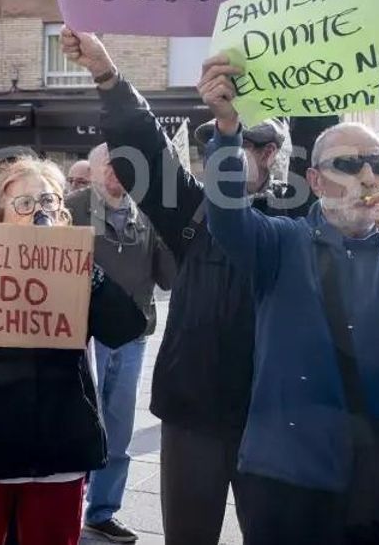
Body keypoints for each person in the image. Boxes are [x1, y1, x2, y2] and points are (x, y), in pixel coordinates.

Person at [198, 54, 379, 544]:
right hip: (287, 475)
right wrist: (227, 129)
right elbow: (227, 217)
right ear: (316, 181)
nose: (367, 176)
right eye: (347, 164)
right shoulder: (283, 241)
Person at [60, 27, 302, 544]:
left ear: (272, 153)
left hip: (278, 416)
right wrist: (107, 74)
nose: (228, 150)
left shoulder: (302, 220)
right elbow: (144, 149)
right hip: (196, 412)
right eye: (218, 141)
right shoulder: (192, 210)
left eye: (245, 140)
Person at [0, 159, 148, 545]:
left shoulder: (79, 272)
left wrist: (87, 273)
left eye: (49, 201)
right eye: (24, 203)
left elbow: (126, 328)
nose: (39, 211)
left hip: (56, 452)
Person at [65, 143, 175, 543]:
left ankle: (102, 512)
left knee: (119, 431)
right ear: (94, 170)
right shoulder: (71, 209)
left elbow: (168, 278)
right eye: (110, 165)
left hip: (131, 336)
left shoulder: (147, 212)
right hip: (82, 336)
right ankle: (68, 511)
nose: (117, 173)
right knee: (77, 426)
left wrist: (172, 230)